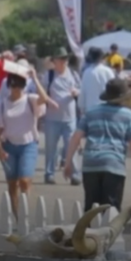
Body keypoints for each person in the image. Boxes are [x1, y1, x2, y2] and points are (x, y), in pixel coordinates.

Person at [63, 78, 131, 211]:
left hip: (91, 163)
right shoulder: (129, 115)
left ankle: (89, 231)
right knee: (111, 208)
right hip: (113, 164)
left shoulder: (91, 112)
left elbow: (76, 137)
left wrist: (68, 163)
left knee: (91, 207)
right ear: (124, 97)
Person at [0, 66, 50, 220]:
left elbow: (44, 99)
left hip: (28, 145)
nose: (15, 88)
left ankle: (25, 213)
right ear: (9, 86)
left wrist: (35, 78)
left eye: (19, 85)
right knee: (12, 184)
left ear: (24, 86)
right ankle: (17, 215)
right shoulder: (3, 103)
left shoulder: (30, 99)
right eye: (13, 85)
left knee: (24, 181)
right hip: (9, 146)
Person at [42, 48, 80, 185]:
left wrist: (76, 92)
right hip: (52, 118)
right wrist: (49, 101)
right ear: (54, 61)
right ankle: (49, 173)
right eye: (60, 59)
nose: (63, 62)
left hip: (70, 117)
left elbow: (80, 89)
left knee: (72, 146)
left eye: (65, 59)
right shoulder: (49, 75)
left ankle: (75, 174)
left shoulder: (73, 74)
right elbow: (41, 92)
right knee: (51, 147)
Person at [80, 47, 116, 113]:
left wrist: (81, 107)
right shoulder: (108, 71)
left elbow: (83, 91)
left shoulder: (86, 72)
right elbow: (114, 89)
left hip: (90, 108)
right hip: (107, 108)